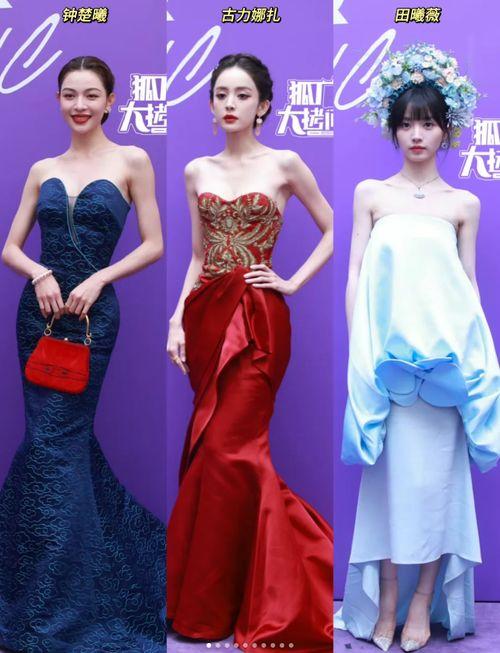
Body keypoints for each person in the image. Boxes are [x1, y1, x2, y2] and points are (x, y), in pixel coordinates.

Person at [166, 53, 334, 652]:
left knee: (236, 450)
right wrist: (175, 321)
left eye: (242, 94)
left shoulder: (285, 163)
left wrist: (290, 283)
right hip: (206, 315)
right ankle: (214, 601)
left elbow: (332, 228)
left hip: (260, 318)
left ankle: (275, 591)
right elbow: (197, 255)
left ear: (263, 104)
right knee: (213, 454)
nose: (230, 103)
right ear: (211, 105)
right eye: (221, 94)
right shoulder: (195, 171)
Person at [335, 44, 500, 651]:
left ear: (446, 129)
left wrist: (475, 366)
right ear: (393, 128)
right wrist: (362, 352)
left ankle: (421, 606)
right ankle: (385, 604)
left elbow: (468, 288)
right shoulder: (371, 194)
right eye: (406, 123)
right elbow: (355, 274)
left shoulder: (464, 204)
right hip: (387, 369)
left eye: (428, 123)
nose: (416, 134)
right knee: (388, 490)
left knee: (435, 492)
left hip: (445, 371)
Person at [0, 56, 166, 652]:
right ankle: (43, 590)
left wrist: (99, 278)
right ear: (58, 100)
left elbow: (154, 243)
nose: (80, 105)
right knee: (53, 446)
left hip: (92, 320)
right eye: (69, 94)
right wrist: (40, 272)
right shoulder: (42, 168)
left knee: (58, 445)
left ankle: (60, 604)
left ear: (111, 101)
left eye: (91, 95)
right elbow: (10, 247)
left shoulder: (132, 161)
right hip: (38, 315)